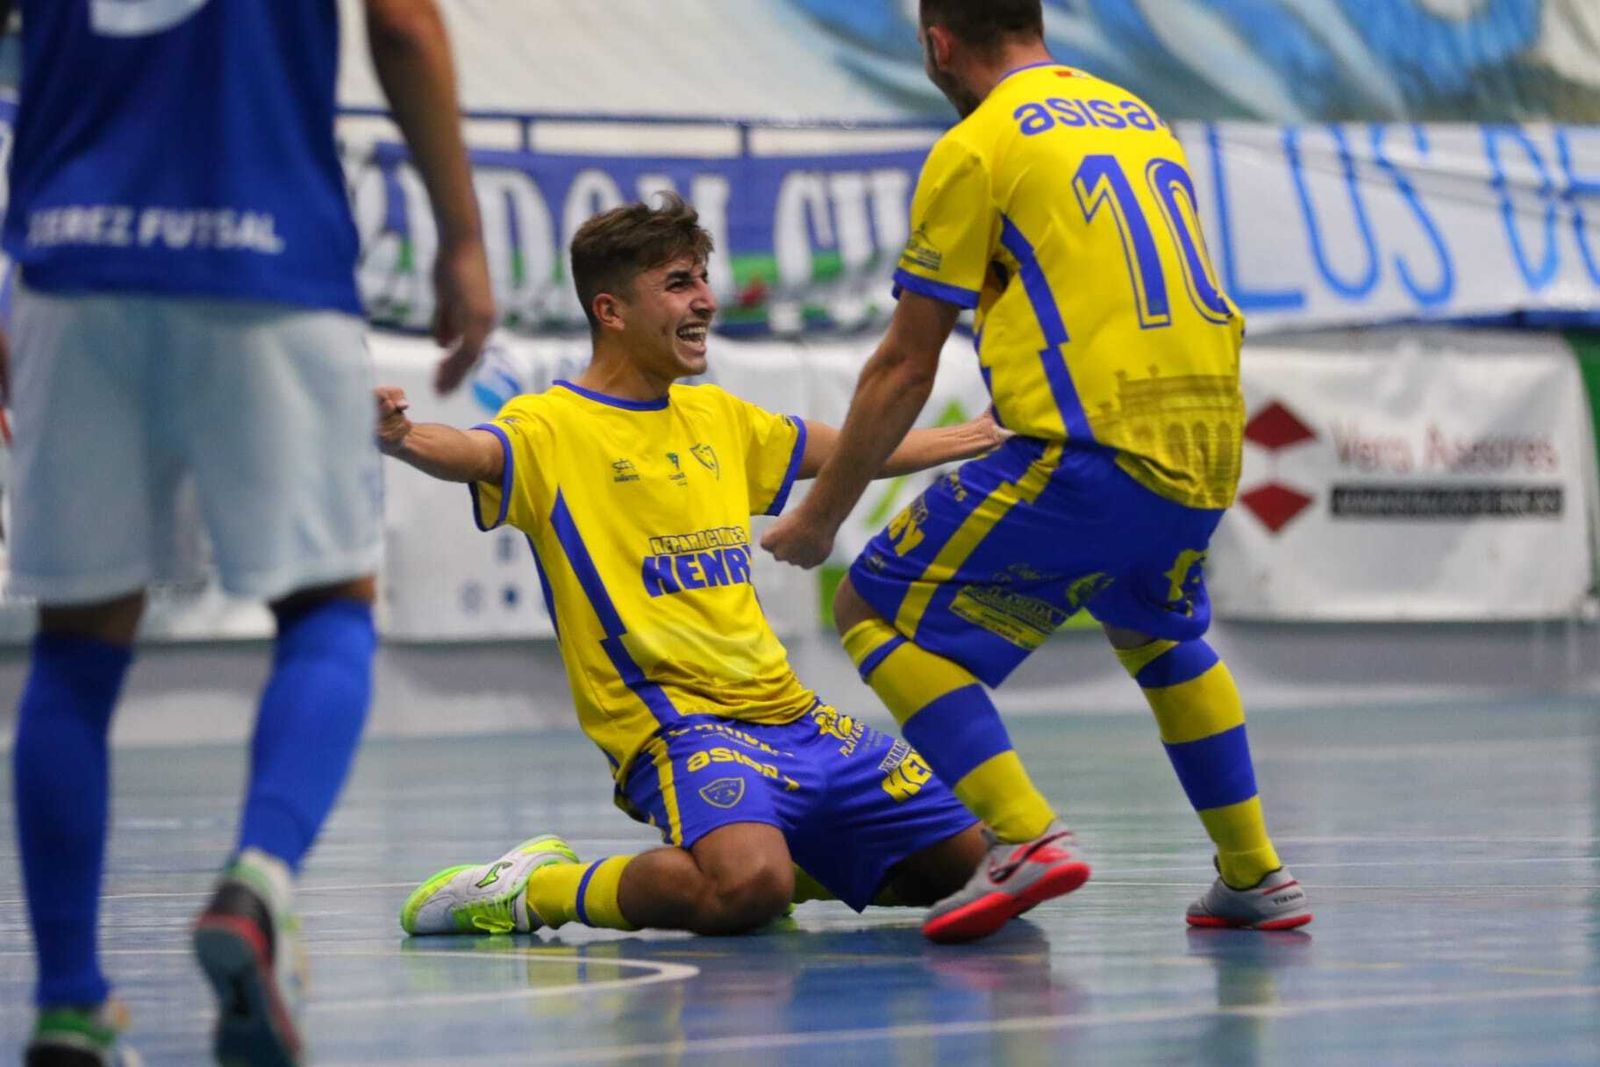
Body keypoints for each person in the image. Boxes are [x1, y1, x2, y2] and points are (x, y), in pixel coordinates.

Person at [2, 1, 493, 1063]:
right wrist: (461, 234)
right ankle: (259, 881)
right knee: (328, 606)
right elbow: (403, 25)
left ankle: (70, 1004)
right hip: (267, 254)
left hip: (70, 266)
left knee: (76, 649)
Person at [761, 0, 1311, 943]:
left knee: (872, 607)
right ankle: (1256, 872)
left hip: (1089, 445)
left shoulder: (980, 144)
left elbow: (904, 365)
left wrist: (820, 517)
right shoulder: (1138, 117)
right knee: (1158, 631)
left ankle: (1025, 837)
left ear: (939, 44)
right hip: (1208, 440)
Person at [380, 195, 994, 940]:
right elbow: (476, 453)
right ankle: (536, 888)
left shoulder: (718, 417)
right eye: (678, 282)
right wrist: (405, 437)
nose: (705, 298)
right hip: (680, 725)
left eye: (703, 278)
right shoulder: (550, 427)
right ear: (611, 310)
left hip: (795, 715)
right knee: (746, 889)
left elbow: (853, 448)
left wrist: (974, 436)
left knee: (976, 871)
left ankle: (775, 865)